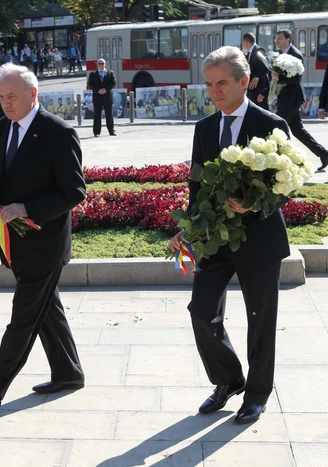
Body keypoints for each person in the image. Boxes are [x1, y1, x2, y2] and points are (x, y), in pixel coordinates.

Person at [169, 46, 291, 425]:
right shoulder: (204, 128)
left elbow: (288, 185)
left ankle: (256, 394)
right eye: (209, 84)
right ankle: (229, 379)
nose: (215, 91)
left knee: (260, 320)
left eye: (222, 82)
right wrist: (187, 228)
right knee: (202, 312)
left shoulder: (272, 124)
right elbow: (196, 186)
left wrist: (256, 205)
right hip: (215, 239)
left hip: (260, 241)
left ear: (244, 82)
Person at [0, 63, 86, 412]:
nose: (5, 103)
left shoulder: (58, 132)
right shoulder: (0, 129)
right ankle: (68, 372)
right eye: (1, 97)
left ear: (33, 94)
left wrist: (27, 208)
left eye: (12, 96)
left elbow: (74, 192)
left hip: (45, 243)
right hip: (13, 242)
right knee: (47, 310)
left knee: (24, 317)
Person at [273, 29, 328, 170]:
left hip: (292, 98)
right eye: (276, 39)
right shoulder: (279, 54)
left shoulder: (295, 55)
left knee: (278, 128)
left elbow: (296, 79)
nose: (277, 41)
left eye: (279, 39)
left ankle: (288, 161)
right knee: (298, 130)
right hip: (284, 98)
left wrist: (279, 77)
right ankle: (323, 153)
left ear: (288, 40)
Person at [88, 58, 116, 136]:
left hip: (107, 96)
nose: (101, 65)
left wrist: (105, 89)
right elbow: (91, 84)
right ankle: (96, 132)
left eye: (102, 63)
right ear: (97, 64)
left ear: (105, 64)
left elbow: (113, 82)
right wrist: (98, 90)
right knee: (97, 114)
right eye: (99, 63)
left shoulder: (110, 73)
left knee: (109, 114)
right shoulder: (92, 74)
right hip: (97, 96)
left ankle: (111, 131)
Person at [242, 33, 270, 110]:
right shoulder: (249, 54)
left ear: (246, 42)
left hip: (260, 87)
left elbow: (266, 66)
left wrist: (257, 77)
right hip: (251, 88)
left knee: (262, 108)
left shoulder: (259, 50)